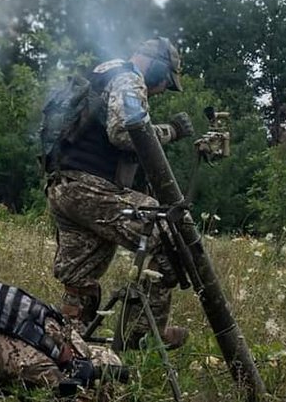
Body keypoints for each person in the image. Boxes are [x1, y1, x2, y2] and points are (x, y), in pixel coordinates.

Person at [42, 37, 194, 352]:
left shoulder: (103, 73)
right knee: (164, 230)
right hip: (90, 188)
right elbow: (125, 133)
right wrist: (173, 132)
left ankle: (68, 348)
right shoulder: (129, 79)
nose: (164, 88)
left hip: (64, 186)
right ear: (155, 66)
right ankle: (143, 334)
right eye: (166, 79)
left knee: (79, 275)